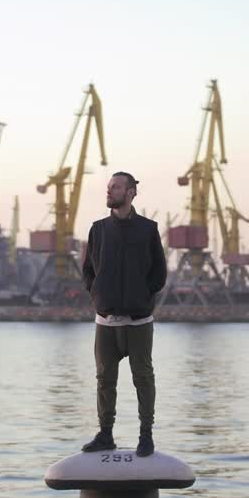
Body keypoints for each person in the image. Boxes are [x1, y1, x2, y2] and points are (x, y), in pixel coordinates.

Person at [80, 171, 167, 457]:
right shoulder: (98, 229)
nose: (109, 191)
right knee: (104, 379)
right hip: (105, 322)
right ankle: (105, 434)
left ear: (131, 192)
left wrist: (142, 297)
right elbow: (88, 271)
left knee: (143, 378)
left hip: (139, 321)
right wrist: (98, 296)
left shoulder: (148, 229)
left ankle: (146, 436)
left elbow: (159, 273)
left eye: (115, 187)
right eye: (108, 187)